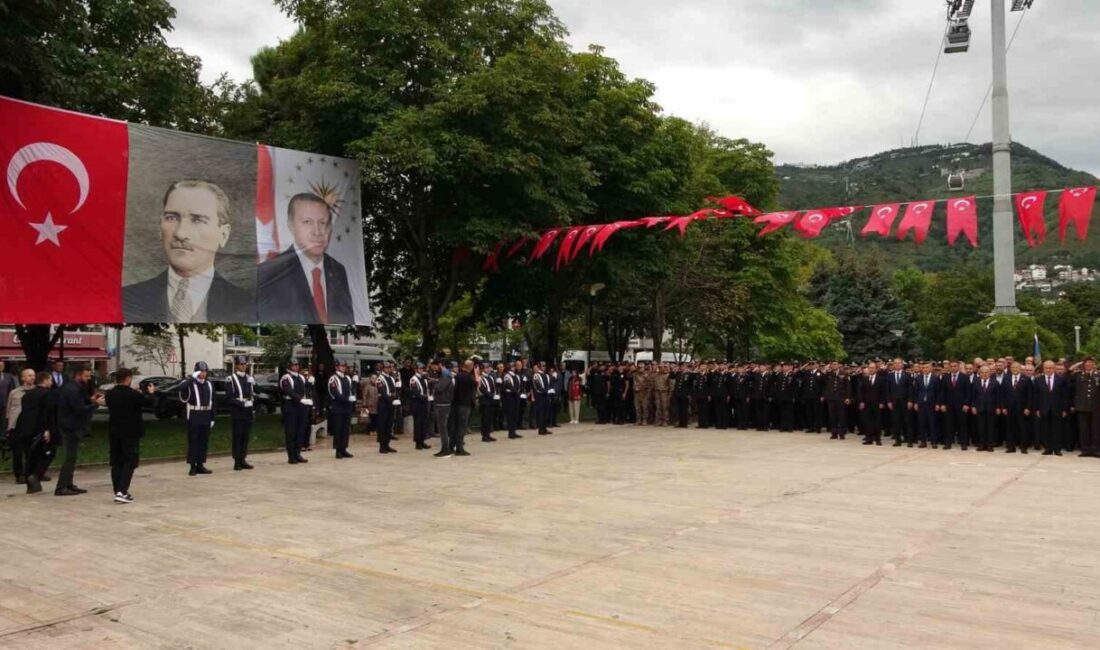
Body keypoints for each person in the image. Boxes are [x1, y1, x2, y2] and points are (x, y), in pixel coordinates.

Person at [123, 179, 252, 322]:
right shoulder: (125, 299)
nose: (180, 233)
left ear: (223, 234)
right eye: (171, 218)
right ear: (160, 227)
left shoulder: (248, 306)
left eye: (197, 220)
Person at [257, 193, 354, 324]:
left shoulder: (338, 271)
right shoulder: (269, 272)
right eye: (307, 222)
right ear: (291, 226)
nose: (317, 232)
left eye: (323, 223)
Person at [55, 363, 101, 495]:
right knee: (70, 458)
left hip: (73, 424)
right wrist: (94, 404)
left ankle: (68, 484)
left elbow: (82, 402)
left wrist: (91, 400)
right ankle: (61, 487)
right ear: (78, 374)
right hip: (70, 426)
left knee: (72, 457)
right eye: (86, 376)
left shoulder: (76, 388)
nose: (88, 379)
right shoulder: (72, 389)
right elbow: (79, 408)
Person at [105, 369, 145, 503]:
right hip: (130, 432)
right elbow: (146, 403)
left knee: (116, 461)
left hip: (114, 431)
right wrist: (149, 393)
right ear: (128, 379)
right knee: (130, 461)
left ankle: (117, 490)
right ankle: (122, 491)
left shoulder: (110, 394)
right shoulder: (133, 394)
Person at [17, 372, 57, 494]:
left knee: (30, 456)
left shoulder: (27, 395)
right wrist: (47, 429)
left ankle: (31, 485)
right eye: (50, 380)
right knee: (48, 452)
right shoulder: (47, 395)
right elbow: (47, 414)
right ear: (45, 380)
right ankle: (35, 476)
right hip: (38, 429)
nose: (51, 383)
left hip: (24, 429)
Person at [180, 361, 216, 475]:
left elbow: (213, 401)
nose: (203, 374)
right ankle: (192, 466)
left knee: (203, 441)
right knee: (193, 441)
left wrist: (212, 418)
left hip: (206, 414)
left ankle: (200, 464)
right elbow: (181, 388)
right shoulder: (190, 383)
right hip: (194, 414)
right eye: (201, 371)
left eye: (205, 371)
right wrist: (192, 379)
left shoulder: (209, 384)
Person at [5, 367, 35, 484]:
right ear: (23, 378)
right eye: (29, 375)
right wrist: (9, 426)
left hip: (31, 425)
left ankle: (31, 473)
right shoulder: (15, 392)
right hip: (17, 425)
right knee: (17, 451)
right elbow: (9, 410)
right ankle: (19, 474)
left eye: (33, 375)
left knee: (31, 451)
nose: (32, 377)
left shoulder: (37, 392)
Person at [226, 355, 256, 470]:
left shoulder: (248, 378)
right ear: (236, 366)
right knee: (237, 436)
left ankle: (243, 459)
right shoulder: (231, 379)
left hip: (248, 411)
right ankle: (237, 461)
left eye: (245, 364)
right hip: (238, 411)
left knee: (245, 436)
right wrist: (242, 404)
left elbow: (256, 392)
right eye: (241, 364)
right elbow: (229, 398)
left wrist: (254, 383)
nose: (243, 366)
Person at [279, 358, 311, 463]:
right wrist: (300, 399)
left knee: (300, 431)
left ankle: (298, 453)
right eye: (294, 365)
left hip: (301, 407)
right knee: (291, 432)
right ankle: (291, 456)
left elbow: (306, 390)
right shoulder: (286, 378)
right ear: (289, 366)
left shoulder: (301, 377)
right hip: (291, 406)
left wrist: (311, 382)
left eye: (297, 365)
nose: (296, 367)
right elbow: (289, 391)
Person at [1034, 360, 1067, 456]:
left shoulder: (1061, 380)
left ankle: (1057, 449)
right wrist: (1037, 409)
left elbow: (1064, 396)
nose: (1048, 370)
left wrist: (1064, 409)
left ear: (1054, 368)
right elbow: (1036, 396)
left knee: (1057, 429)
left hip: (1057, 409)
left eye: (1050, 368)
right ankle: (1048, 448)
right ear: (1043, 369)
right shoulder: (1038, 380)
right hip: (1043, 409)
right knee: (1045, 429)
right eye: (1046, 368)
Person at [328, 359, 357, 457]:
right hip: (338, 408)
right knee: (338, 429)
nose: (343, 367)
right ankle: (338, 450)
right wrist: (347, 398)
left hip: (347, 407)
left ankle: (344, 448)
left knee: (345, 430)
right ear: (336, 367)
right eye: (341, 366)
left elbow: (351, 390)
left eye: (344, 366)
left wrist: (353, 392)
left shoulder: (348, 378)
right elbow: (335, 393)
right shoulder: (333, 378)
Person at [969, 365, 1001, 452]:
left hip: (991, 409)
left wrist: (998, 407)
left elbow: (998, 396)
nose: (984, 374)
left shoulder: (995, 383)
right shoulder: (975, 382)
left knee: (991, 428)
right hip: (979, 408)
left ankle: (989, 445)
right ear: (979, 373)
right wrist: (973, 406)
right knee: (981, 428)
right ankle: (982, 444)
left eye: (986, 372)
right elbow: (972, 396)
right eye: (982, 372)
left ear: (990, 373)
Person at [941, 360, 972, 450]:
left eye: (955, 366)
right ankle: (948, 443)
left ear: (958, 367)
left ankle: (964, 444)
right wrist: (942, 404)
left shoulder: (965, 377)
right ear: (949, 367)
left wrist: (966, 404)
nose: (953, 367)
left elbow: (968, 392)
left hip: (961, 406)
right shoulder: (945, 377)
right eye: (952, 366)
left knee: (962, 425)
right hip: (949, 405)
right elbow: (942, 392)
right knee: (949, 425)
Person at [450, 360, 476, 455]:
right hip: (464, 404)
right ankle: (459, 448)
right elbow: (477, 384)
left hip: (456, 403)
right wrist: (476, 373)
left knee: (455, 426)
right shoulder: (468, 377)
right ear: (471, 366)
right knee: (462, 427)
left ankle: (451, 445)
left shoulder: (458, 376)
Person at [858, 362, 885, 445]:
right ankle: (869, 439)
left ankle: (878, 439)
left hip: (877, 404)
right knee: (868, 422)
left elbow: (883, 392)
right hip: (867, 404)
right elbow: (861, 392)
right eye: (869, 368)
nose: (871, 369)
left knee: (877, 422)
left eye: (873, 368)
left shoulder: (880, 379)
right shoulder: (865, 379)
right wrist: (861, 402)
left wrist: (882, 402)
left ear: (876, 369)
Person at [822, 362, 850, 440]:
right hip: (831, 398)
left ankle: (841, 433)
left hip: (841, 398)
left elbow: (847, 386)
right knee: (832, 416)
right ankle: (834, 433)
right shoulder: (828, 374)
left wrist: (848, 397)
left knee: (841, 416)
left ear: (838, 365)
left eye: (835, 364)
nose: (834, 366)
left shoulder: (843, 373)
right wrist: (824, 371)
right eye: (832, 364)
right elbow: (822, 382)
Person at [432, 363, 455, 457]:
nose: (436, 368)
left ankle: (445, 449)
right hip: (442, 404)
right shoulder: (445, 377)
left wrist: (435, 384)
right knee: (443, 428)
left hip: (443, 405)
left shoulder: (445, 377)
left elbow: (439, 388)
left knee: (442, 428)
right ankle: (445, 448)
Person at [376, 363, 399, 454]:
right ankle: (382, 446)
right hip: (383, 404)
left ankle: (387, 444)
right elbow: (382, 392)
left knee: (389, 425)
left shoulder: (392, 378)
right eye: (387, 368)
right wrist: (390, 399)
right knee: (382, 425)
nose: (389, 369)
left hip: (391, 404)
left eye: (390, 367)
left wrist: (395, 398)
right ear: (383, 369)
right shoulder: (379, 379)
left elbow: (394, 390)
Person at [408, 362, 432, 451]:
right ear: (416, 370)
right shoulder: (413, 379)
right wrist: (424, 397)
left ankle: (422, 440)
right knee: (418, 424)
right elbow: (415, 392)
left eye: (422, 368)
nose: (422, 370)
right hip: (417, 403)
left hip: (424, 403)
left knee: (424, 423)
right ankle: (418, 442)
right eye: (420, 369)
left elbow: (427, 390)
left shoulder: (424, 379)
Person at [477, 362, 498, 442]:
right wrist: (492, 395)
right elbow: (483, 389)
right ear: (483, 369)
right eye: (487, 368)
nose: (489, 369)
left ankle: (488, 434)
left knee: (489, 418)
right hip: (484, 401)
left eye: (489, 368)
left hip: (491, 401)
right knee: (485, 419)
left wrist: (495, 395)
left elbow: (494, 387)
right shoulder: (480, 378)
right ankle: (484, 436)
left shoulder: (491, 377)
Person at [502, 361, 523, 439]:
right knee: (510, 414)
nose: (513, 368)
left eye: (514, 366)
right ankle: (511, 433)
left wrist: (519, 392)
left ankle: (514, 431)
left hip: (516, 396)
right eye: (512, 367)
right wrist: (516, 391)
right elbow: (509, 385)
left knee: (515, 414)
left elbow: (520, 385)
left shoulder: (516, 375)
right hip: (510, 396)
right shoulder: (507, 375)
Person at [532, 361, 552, 435]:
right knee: (541, 413)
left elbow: (549, 384)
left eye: (544, 366)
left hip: (546, 395)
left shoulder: (546, 375)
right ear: (539, 367)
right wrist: (545, 391)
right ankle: (540, 429)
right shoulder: (536, 375)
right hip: (540, 396)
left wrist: (550, 390)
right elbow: (537, 386)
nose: (544, 367)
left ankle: (544, 427)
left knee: (546, 412)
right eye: (542, 366)